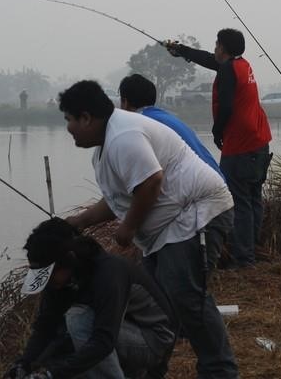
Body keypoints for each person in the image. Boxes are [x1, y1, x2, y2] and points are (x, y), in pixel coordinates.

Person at [58, 80, 238, 379]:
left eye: (69, 120)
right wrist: (81, 222)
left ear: (87, 117)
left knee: (188, 299)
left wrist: (128, 227)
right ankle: (155, 369)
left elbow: (151, 181)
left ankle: (220, 371)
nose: (68, 128)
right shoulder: (105, 147)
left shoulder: (124, 136)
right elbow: (119, 197)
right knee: (161, 304)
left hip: (195, 213)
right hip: (167, 229)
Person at [8, 218, 176, 379]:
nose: (48, 284)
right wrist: (24, 363)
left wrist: (51, 374)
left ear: (69, 259)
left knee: (78, 319)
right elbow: (45, 327)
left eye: (50, 276)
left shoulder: (109, 273)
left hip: (154, 341)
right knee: (53, 349)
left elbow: (104, 341)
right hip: (122, 334)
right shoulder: (62, 280)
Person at [165, 29, 271, 267]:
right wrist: (182, 50)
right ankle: (252, 251)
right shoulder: (241, 65)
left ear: (223, 48)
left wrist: (217, 131)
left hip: (240, 145)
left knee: (240, 202)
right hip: (260, 141)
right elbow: (209, 60)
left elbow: (225, 107)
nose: (214, 48)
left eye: (216, 44)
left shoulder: (227, 71)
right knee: (253, 198)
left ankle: (244, 259)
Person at [118, 73, 223, 178]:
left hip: (200, 187)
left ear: (125, 102)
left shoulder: (140, 123)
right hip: (218, 182)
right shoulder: (166, 117)